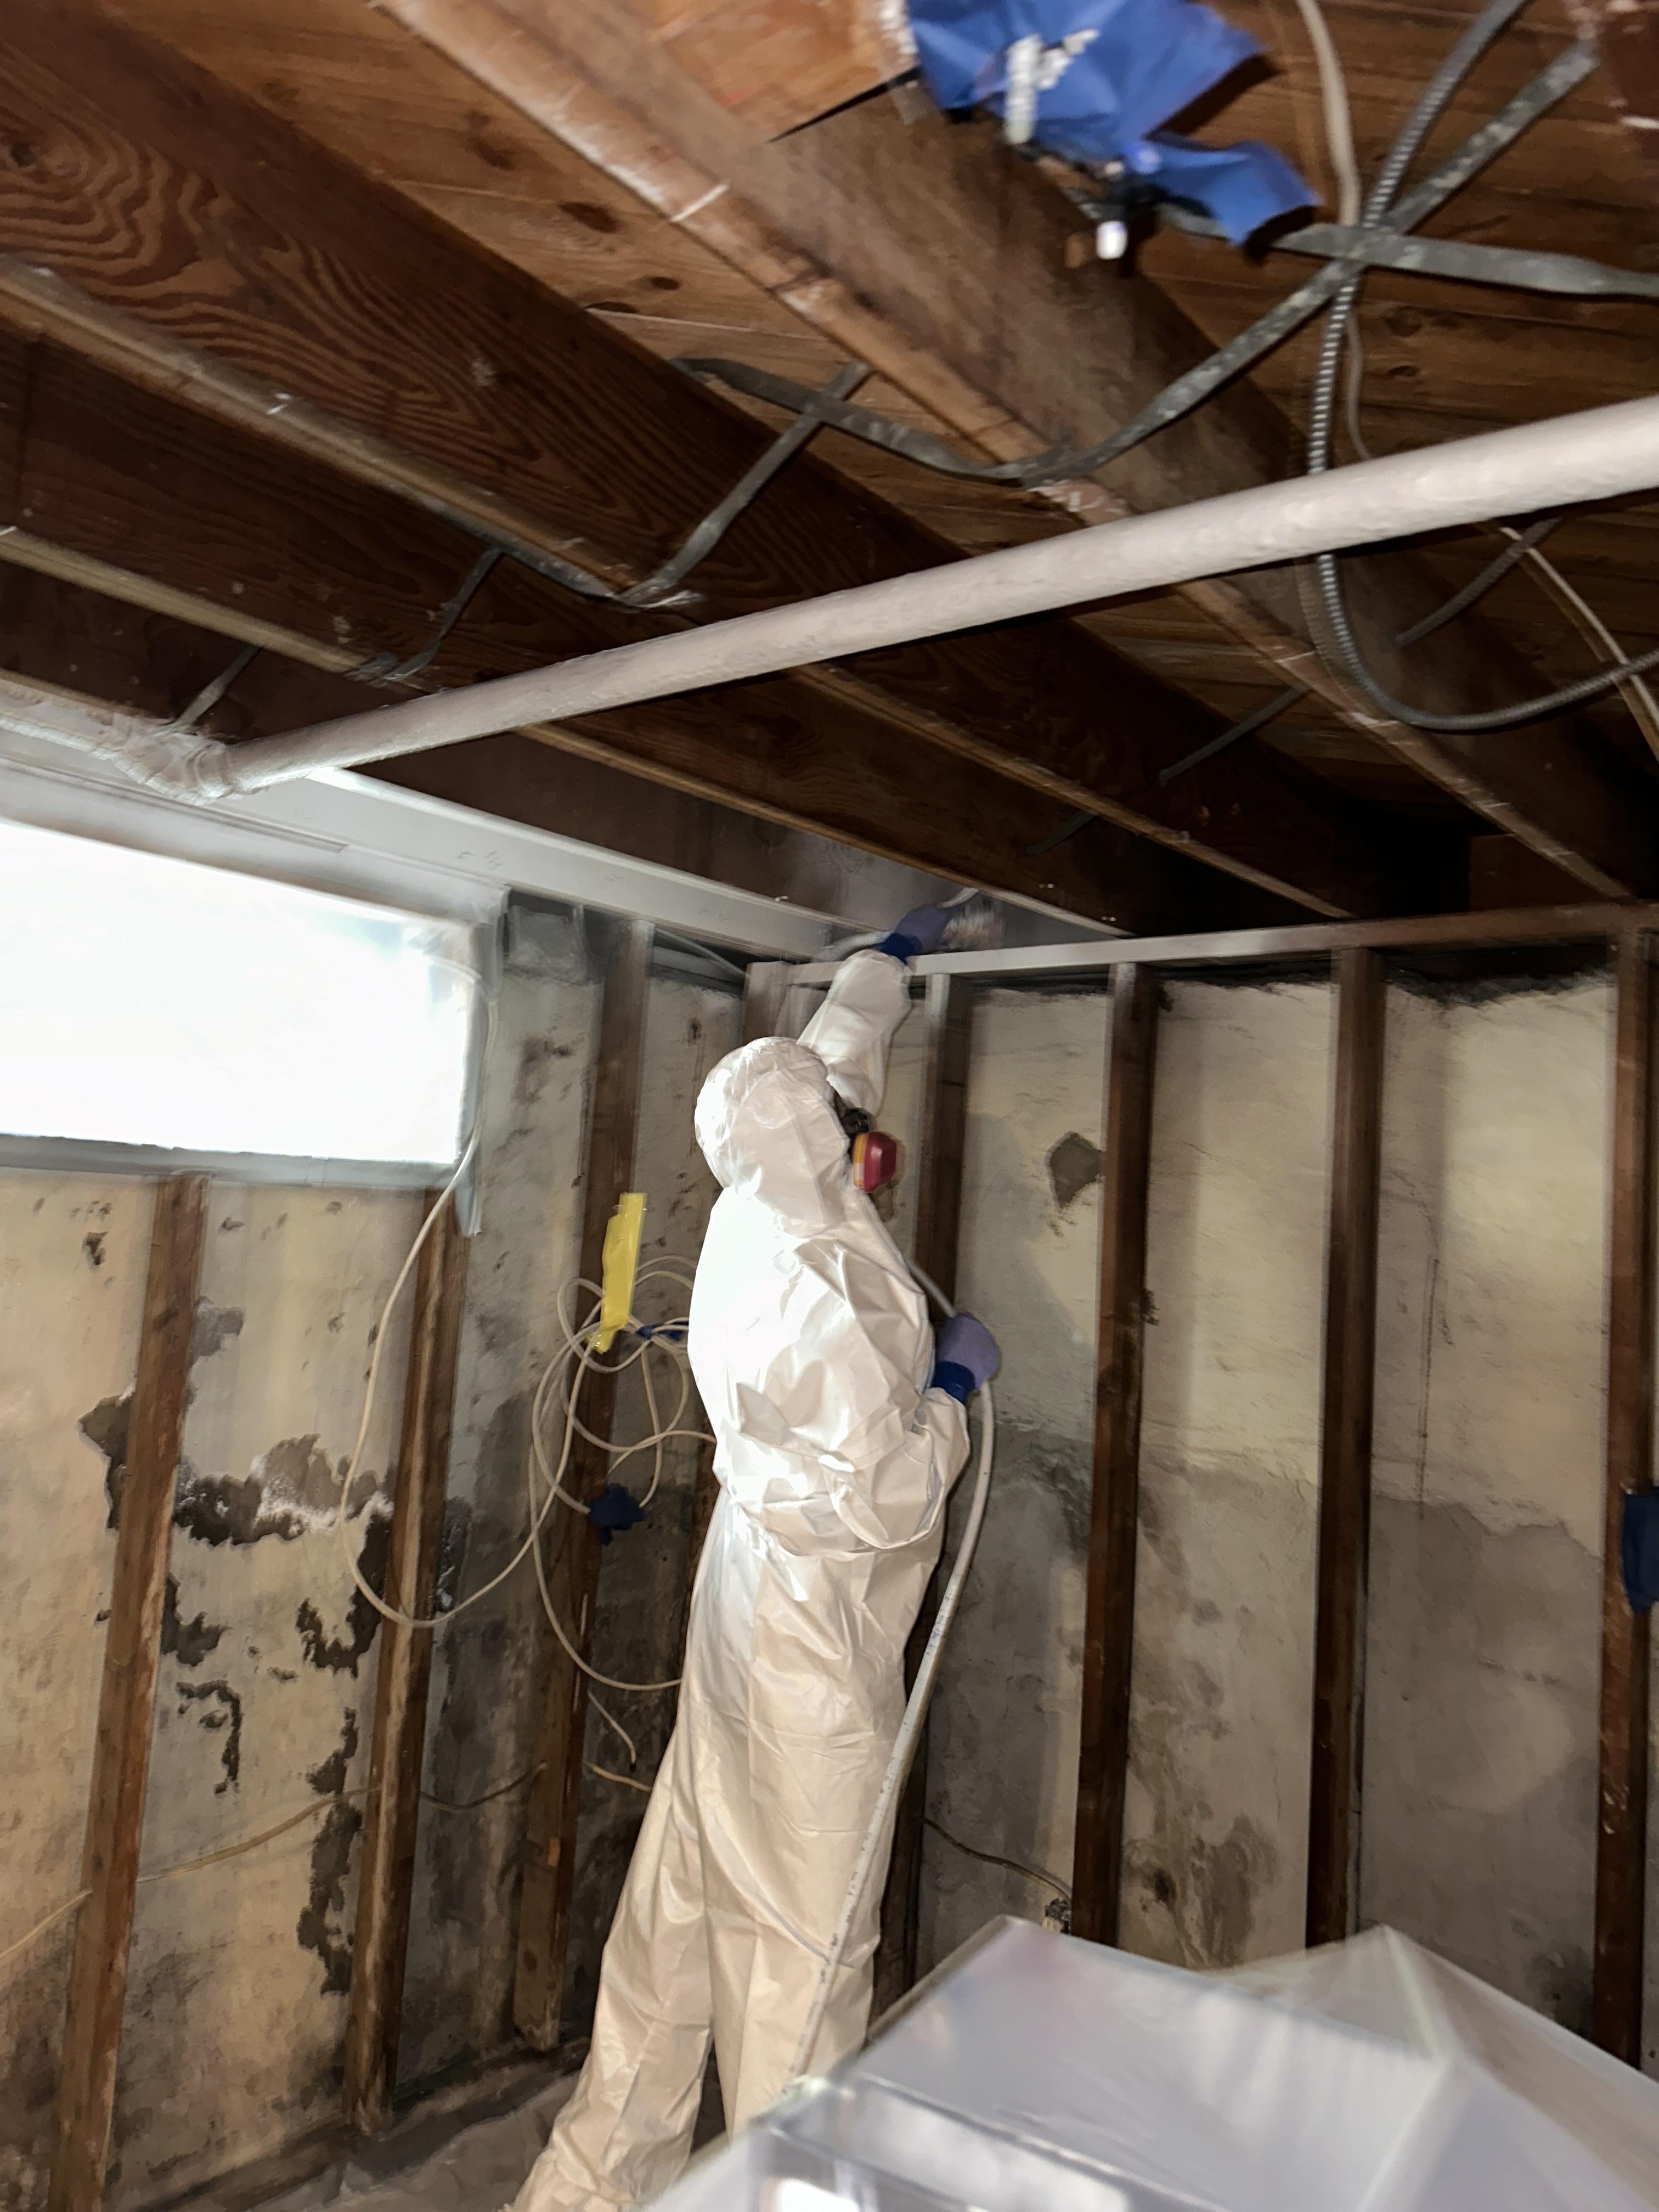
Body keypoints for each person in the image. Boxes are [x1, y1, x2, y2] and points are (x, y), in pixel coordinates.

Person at [514, 909, 1001, 2212]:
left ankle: (589, 2191)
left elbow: (822, 1074)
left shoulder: (758, 1200)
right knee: (802, 1951)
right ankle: (787, 2196)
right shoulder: (819, 1286)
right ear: (821, 1144)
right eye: (846, 1127)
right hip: (813, 1647)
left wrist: (884, 966)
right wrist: (954, 1390)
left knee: (678, 1921)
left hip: (741, 1611)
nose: (861, 1132)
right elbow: (886, 1496)